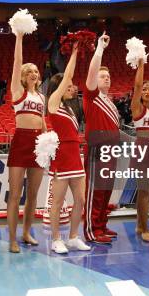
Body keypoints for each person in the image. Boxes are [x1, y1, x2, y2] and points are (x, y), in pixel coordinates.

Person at [47, 43, 90, 254]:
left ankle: (73, 236)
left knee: (80, 199)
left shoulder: (70, 108)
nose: (72, 87)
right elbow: (67, 77)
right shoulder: (53, 103)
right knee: (57, 200)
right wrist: (73, 54)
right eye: (69, 85)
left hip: (75, 155)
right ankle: (56, 239)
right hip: (62, 157)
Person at [6, 29, 46, 253]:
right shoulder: (17, 91)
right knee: (15, 194)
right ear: (22, 76)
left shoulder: (41, 96)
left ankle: (27, 232)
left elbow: (43, 122)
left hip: (38, 144)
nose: (33, 73)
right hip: (21, 140)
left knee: (32, 194)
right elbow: (17, 61)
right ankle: (11, 239)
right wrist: (20, 37)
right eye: (29, 71)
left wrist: (48, 142)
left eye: (36, 70)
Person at [83, 32, 120, 244]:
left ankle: (100, 224)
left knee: (106, 190)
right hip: (98, 148)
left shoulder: (111, 103)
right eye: (102, 76)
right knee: (96, 190)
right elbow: (92, 71)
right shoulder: (92, 95)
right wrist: (100, 49)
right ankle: (90, 229)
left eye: (108, 76)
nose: (107, 77)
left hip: (111, 150)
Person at [130, 59, 149, 242]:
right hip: (142, 151)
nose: (147, 91)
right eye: (145, 89)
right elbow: (137, 84)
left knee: (146, 191)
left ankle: (139, 225)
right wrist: (141, 65)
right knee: (144, 192)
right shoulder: (137, 108)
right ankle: (144, 229)